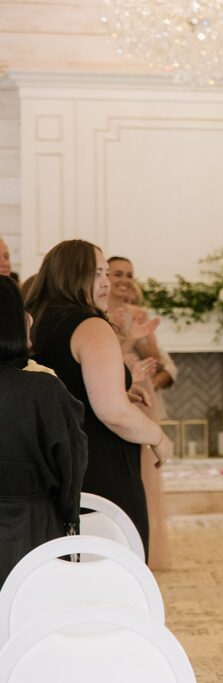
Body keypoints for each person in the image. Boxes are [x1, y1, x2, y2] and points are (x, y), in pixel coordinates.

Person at [25, 240, 173, 557]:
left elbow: (63, 384)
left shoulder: (37, 319)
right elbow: (113, 412)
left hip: (51, 462)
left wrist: (120, 387)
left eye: (106, 273)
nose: (105, 282)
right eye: (96, 274)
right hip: (98, 462)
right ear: (71, 274)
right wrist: (158, 437)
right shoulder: (90, 324)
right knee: (115, 566)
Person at [0, 275, 88, 588]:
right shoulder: (43, 390)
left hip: (29, 520)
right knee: (30, 613)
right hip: (31, 531)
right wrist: (67, 516)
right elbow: (71, 466)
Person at [107, 257, 177, 569]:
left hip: (140, 390)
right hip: (111, 387)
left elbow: (156, 358)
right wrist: (127, 339)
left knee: (144, 467)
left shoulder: (138, 313)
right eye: (117, 274)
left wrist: (141, 336)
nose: (124, 280)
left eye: (129, 275)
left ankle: (148, 546)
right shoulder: (95, 312)